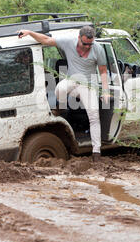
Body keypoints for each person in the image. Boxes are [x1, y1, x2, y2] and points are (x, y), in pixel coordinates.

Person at [18, 26, 110, 161]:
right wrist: (30, 32)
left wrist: (106, 91)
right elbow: (46, 40)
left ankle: (96, 152)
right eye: (84, 43)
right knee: (60, 88)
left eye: (90, 44)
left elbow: (103, 71)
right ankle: (61, 108)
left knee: (94, 116)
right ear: (79, 38)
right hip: (72, 81)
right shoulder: (68, 42)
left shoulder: (97, 49)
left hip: (88, 85)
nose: (87, 47)